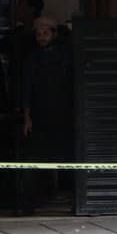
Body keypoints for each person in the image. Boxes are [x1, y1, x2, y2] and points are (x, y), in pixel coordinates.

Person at [21, 15, 74, 211]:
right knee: (38, 156)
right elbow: (26, 89)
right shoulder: (32, 60)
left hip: (62, 114)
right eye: (38, 34)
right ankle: (36, 198)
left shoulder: (66, 57)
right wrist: (27, 117)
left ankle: (64, 193)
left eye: (45, 33)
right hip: (40, 115)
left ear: (54, 34)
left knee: (64, 154)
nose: (41, 37)